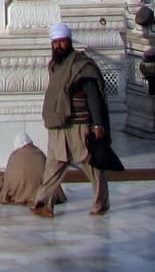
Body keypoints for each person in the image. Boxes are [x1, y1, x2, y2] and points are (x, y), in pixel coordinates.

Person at [30, 22, 110, 217]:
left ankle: (101, 204)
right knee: (54, 166)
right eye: (55, 42)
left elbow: (93, 96)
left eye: (62, 42)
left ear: (69, 42)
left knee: (90, 165)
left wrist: (97, 124)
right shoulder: (55, 66)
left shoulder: (81, 66)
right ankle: (43, 204)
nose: (58, 46)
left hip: (79, 124)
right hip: (59, 125)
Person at [0, 131, 62, 208]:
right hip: (42, 193)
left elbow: (9, 181)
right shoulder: (39, 153)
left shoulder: (14, 156)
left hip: (18, 192)